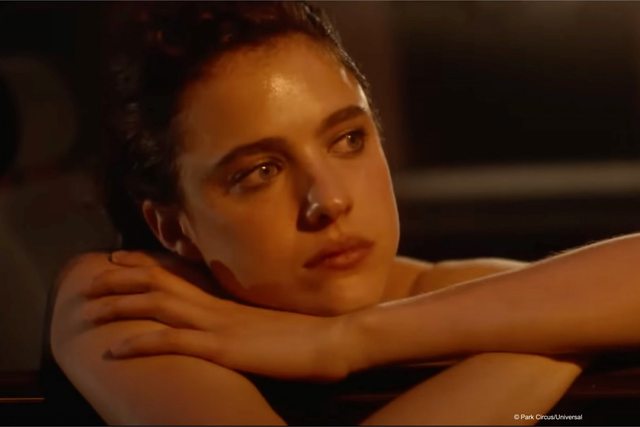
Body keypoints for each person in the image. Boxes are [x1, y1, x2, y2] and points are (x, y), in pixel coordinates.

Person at [50, 2, 640, 425]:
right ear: (173, 228)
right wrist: (558, 339)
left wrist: (344, 343)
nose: (329, 201)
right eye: (260, 171)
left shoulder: (408, 292)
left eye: (347, 140)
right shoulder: (124, 298)